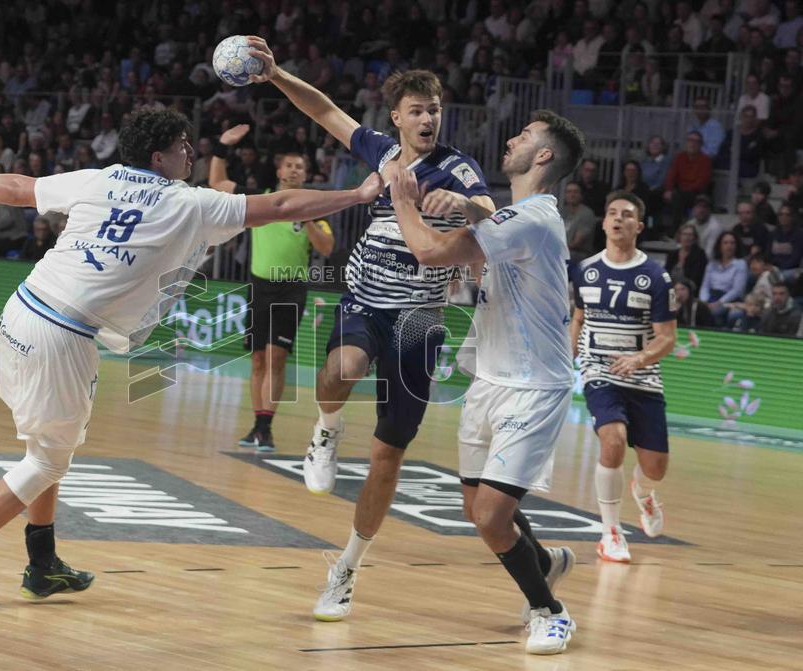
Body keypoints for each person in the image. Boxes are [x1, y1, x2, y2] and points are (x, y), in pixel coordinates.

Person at [0, 108, 384, 611]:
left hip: (24, 310)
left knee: (50, 448)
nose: (191, 151)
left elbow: (18, 187)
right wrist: (357, 195)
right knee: (48, 458)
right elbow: (284, 203)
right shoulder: (189, 203)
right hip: (60, 334)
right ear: (159, 156)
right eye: (184, 145)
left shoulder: (98, 180)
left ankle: (43, 563)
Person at [247, 37, 497, 622]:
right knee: (342, 368)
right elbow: (324, 111)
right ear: (397, 118)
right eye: (417, 109)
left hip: (419, 322)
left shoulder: (458, 168)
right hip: (366, 301)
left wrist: (462, 207)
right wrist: (279, 74)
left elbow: (491, 211)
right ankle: (326, 429)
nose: (428, 117)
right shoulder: (383, 155)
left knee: (388, 457)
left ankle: (346, 569)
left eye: (434, 108)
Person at [390, 109, 586, 655]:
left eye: (524, 137)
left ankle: (551, 611)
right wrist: (466, 204)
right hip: (489, 378)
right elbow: (490, 214)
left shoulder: (534, 219)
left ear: (543, 156)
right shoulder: (519, 213)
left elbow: (430, 252)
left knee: (491, 517)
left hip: (533, 385)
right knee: (474, 506)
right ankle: (544, 563)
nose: (511, 139)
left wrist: (401, 197)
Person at [209, 123, 335, 452]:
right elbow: (217, 183)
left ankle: (265, 427)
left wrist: (305, 216)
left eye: (300, 167)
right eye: (289, 165)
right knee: (258, 360)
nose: (294, 170)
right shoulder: (262, 201)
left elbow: (326, 247)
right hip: (259, 287)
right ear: (279, 170)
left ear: (306, 175)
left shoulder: (314, 205)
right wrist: (223, 146)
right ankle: (257, 424)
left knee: (277, 359)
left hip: (290, 289)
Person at [571, 192, 678, 563]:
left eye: (627, 215)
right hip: (599, 369)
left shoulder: (656, 276)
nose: (618, 219)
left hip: (643, 377)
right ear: (603, 223)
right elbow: (578, 319)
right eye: (612, 213)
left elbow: (667, 337)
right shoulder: (584, 269)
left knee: (656, 467)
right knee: (612, 440)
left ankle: (644, 493)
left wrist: (640, 358)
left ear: (639, 226)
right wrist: (565, 360)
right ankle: (611, 531)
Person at [700, 232, 749, 323]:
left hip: (729, 299)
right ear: (720, 246)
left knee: (715, 312)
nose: (729, 246)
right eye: (725, 243)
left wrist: (719, 302)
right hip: (711, 297)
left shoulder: (740, 264)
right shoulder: (712, 264)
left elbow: (737, 290)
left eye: (732, 243)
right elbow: (705, 286)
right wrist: (704, 301)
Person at [666, 223, 708, 289]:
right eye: (684, 234)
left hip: (689, 290)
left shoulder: (700, 255)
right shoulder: (672, 254)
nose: (687, 237)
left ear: (694, 238)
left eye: (690, 235)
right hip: (671, 289)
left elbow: (695, 280)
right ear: (679, 236)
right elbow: (666, 274)